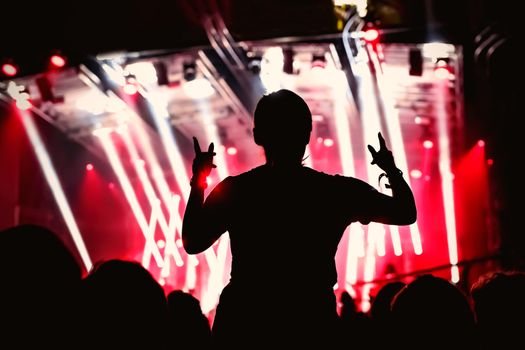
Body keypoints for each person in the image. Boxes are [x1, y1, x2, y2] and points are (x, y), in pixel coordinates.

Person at [182, 89, 417, 347]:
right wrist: (391, 171)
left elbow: (193, 242)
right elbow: (405, 212)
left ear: (258, 135)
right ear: (307, 134)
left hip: (244, 322)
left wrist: (199, 182)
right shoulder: (336, 192)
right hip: (311, 322)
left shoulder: (236, 190)